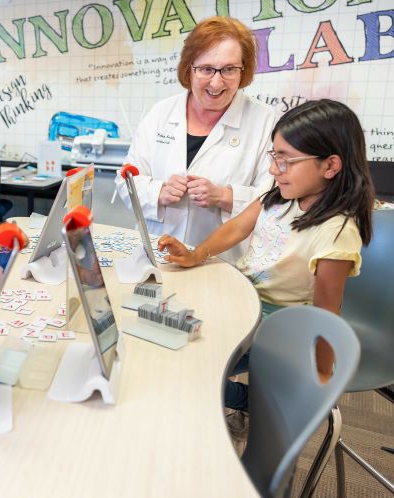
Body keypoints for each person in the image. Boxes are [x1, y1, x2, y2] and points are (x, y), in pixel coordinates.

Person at [158, 99, 374, 436]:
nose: (274, 170)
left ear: (330, 166)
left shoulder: (336, 233)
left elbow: (326, 314)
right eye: (274, 157)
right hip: (244, 304)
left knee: (195, 369)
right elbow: (237, 228)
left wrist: (319, 378)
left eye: (286, 160)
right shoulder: (279, 195)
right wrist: (195, 253)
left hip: (278, 328)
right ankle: (250, 400)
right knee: (174, 352)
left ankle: (252, 402)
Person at [116, 16, 276, 263]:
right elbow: (126, 180)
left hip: (222, 261)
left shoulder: (264, 120)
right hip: (157, 256)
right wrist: (159, 191)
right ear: (189, 68)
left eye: (229, 69)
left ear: (243, 69)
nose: (216, 82)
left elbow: (275, 198)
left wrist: (224, 196)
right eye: (206, 69)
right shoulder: (161, 113)